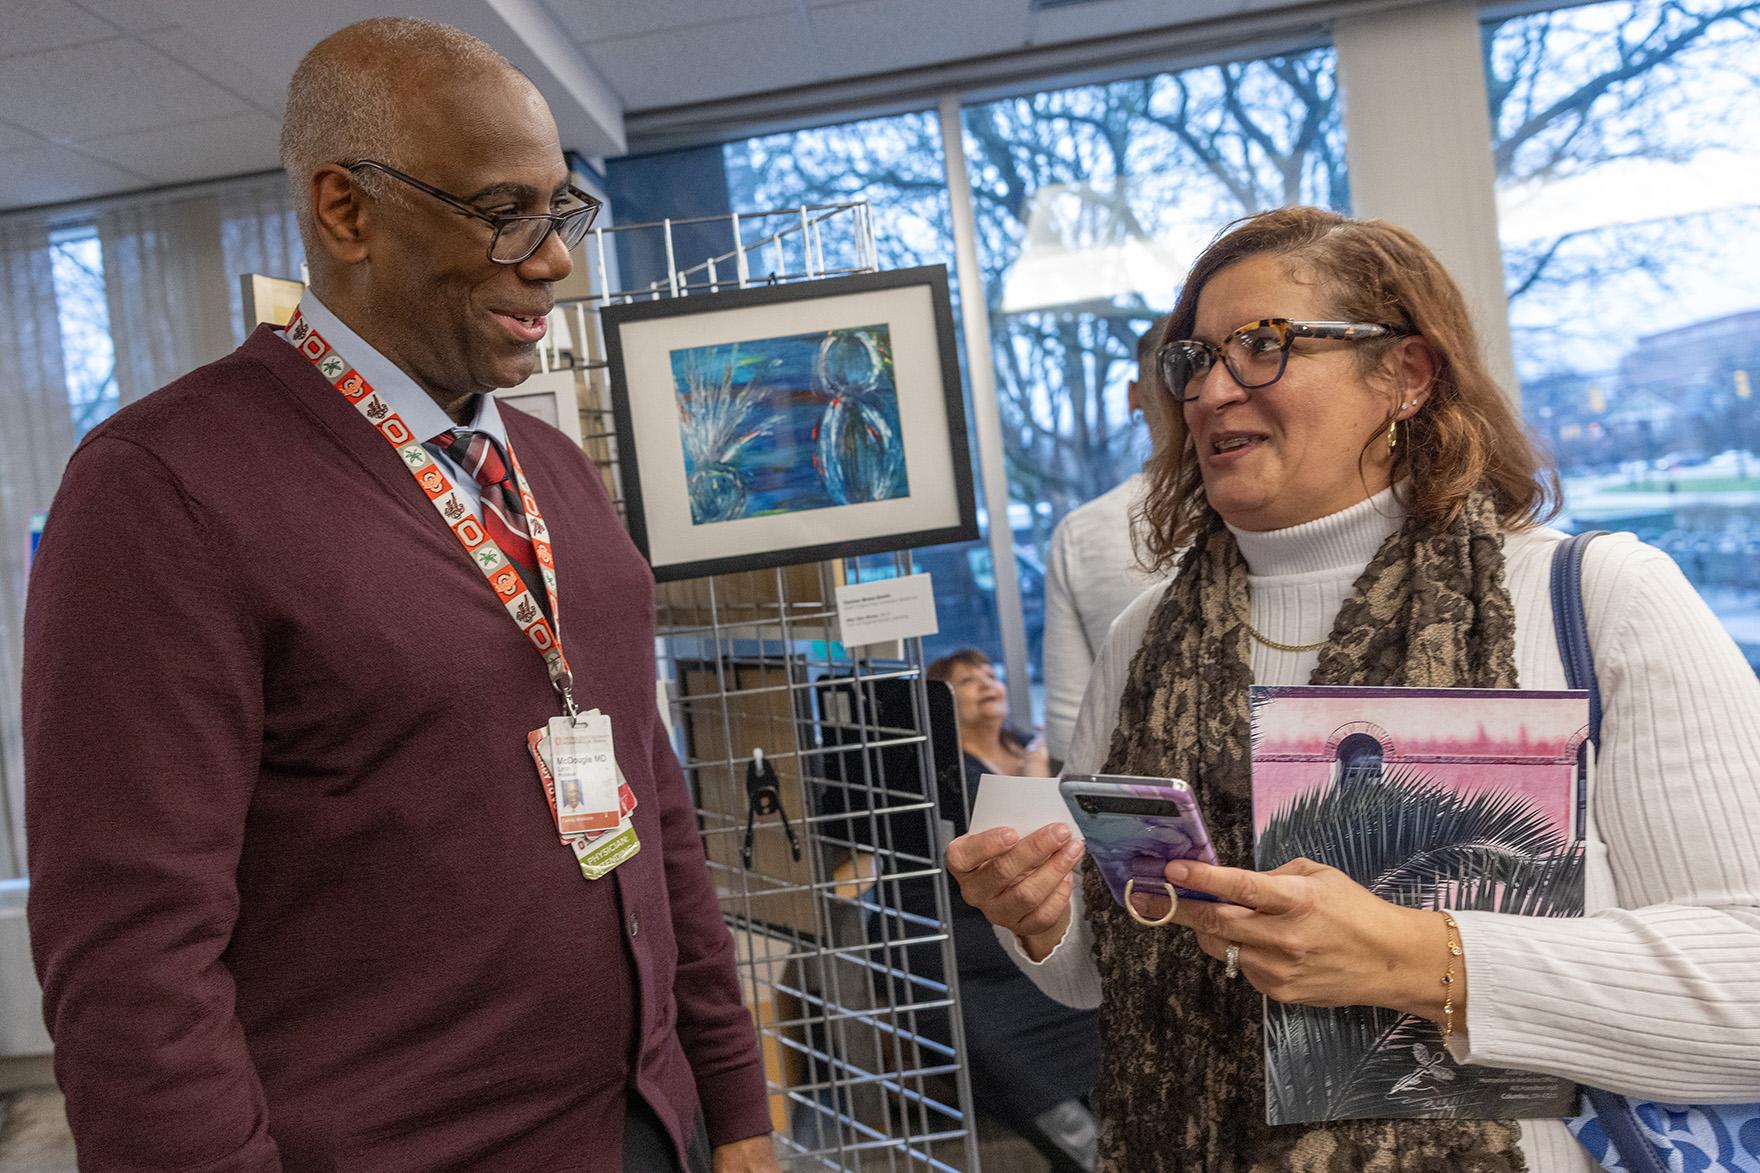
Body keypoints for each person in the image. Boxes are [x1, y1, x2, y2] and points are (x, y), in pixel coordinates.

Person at [24, 18, 778, 1173]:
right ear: (347, 211)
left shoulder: (553, 471)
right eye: (500, 211)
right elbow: (132, 957)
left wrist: (732, 1103)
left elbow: (651, 802)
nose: (552, 261)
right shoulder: (163, 488)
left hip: (641, 1129)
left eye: (560, 210)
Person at [945, 207, 1760, 1171]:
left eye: (1262, 346)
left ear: (1405, 376)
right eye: (1193, 358)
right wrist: (1046, 920)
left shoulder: (1593, 597)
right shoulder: (1144, 642)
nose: (1209, 389)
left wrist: (1423, 960)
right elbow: (1101, 972)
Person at [921, 649, 1100, 1172]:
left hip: (1060, 934)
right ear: (941, 703)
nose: (985, 683)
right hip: (979, 948)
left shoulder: (1042, 748)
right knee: (1024, 1081)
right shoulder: (944, 774)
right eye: (966, 680)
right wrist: (1032, 774)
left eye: (989, 674)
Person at [1041, 322, 1165, 765]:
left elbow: (1066, 734)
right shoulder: (1276, 513)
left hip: (1143, 812)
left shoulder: (1082, 533)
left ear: (1133, 397)